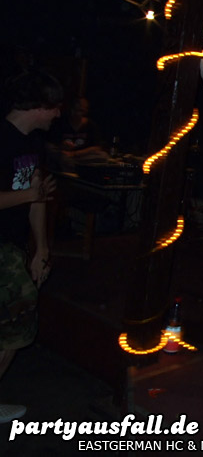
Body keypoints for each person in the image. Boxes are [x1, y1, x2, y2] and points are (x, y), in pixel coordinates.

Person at [0, 70, 63, 423]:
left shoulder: (33, 145)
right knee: (16, 327)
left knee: (13, 328)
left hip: (12, 248)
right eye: (54, 107)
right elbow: (32, 194)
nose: (58, 114)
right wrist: (30, 194)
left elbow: (37, 199)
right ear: (39, 105)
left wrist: (41, 250)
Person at [47, 96, 108, 171]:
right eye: (74, 109)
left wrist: (75, 153)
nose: (75, 113)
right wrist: (62, 146)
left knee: (103, 156)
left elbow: (97, 147)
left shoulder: (90, 125)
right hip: (64, 155)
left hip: (81, 156)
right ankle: (77, 167)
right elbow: (51, 144)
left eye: (80, 110)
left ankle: (75, 166)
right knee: (57, 155)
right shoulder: (60, 123)